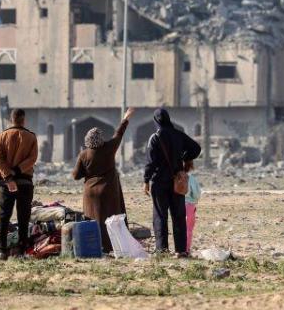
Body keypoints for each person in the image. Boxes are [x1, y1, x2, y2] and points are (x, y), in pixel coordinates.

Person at [72, 108, 134, 253]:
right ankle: (112, 247)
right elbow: (118, 133)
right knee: (112, 220)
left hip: (90, 193)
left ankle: (95, 247)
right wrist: (126, 118)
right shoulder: (109, 147)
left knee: (93, 221)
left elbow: (75, 175)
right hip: (109, 191)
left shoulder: (84, 154)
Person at [142, 107, 201, 257]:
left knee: (160, 216)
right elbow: (196, 148)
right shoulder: (178, 135)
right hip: (177, 182)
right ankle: (181, 250)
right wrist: (184, 157)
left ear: (156, 121)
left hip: (159, 182)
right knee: (179, 216)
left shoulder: (155, 137)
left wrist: (146, 180)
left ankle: (162, 251)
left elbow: (151, 162)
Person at [0, 108, 38, 260]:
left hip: (7, 184)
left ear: (11, 119)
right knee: (23, 217)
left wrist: (8, 176)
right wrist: (17, 171)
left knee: (3, 216)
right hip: (25, 182)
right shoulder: (31, 137)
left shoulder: (2, 136)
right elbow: (32, 159)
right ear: (23, 120)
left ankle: (1, 251)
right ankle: (22, 249)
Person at [184, 163, 201, 254]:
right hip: (189, 205)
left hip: (176, 205)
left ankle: (178, 249)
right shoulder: (190, 178)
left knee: (178, 227)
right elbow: (196, 194)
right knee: (188, 229)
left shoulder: (174, 176)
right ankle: (186, 249)